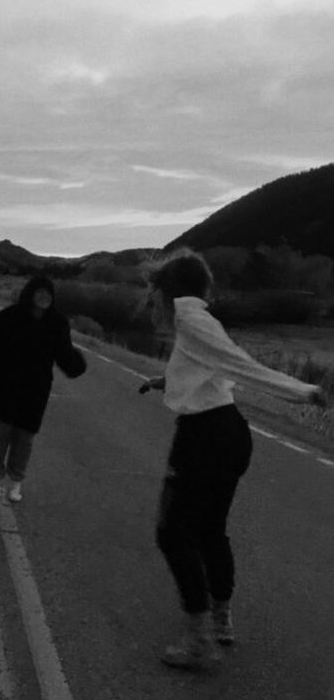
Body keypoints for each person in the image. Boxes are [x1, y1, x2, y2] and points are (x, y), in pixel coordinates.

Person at [139, 249, 326, 671]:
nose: (151, 303)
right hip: (228, 433)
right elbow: (207, 366)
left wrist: (303, 391)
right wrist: (163, 381)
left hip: (204, 437)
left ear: (167, 289)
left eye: (153, 293)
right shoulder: (199, 321)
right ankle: (220, 618)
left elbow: (239, 365)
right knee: (209, 528)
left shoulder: (188, 317)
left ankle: (199, 638)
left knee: (171, 532)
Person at [0, 274, 86, 502]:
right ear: (30, 293)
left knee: (24, 440)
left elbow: (64, 352)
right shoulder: (10, 317)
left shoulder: (57, 323)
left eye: (48, 294)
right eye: (39, 292)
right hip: (4, 388)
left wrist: (76, 365)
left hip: (35, 392)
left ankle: (16, 484)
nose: (44, 297)